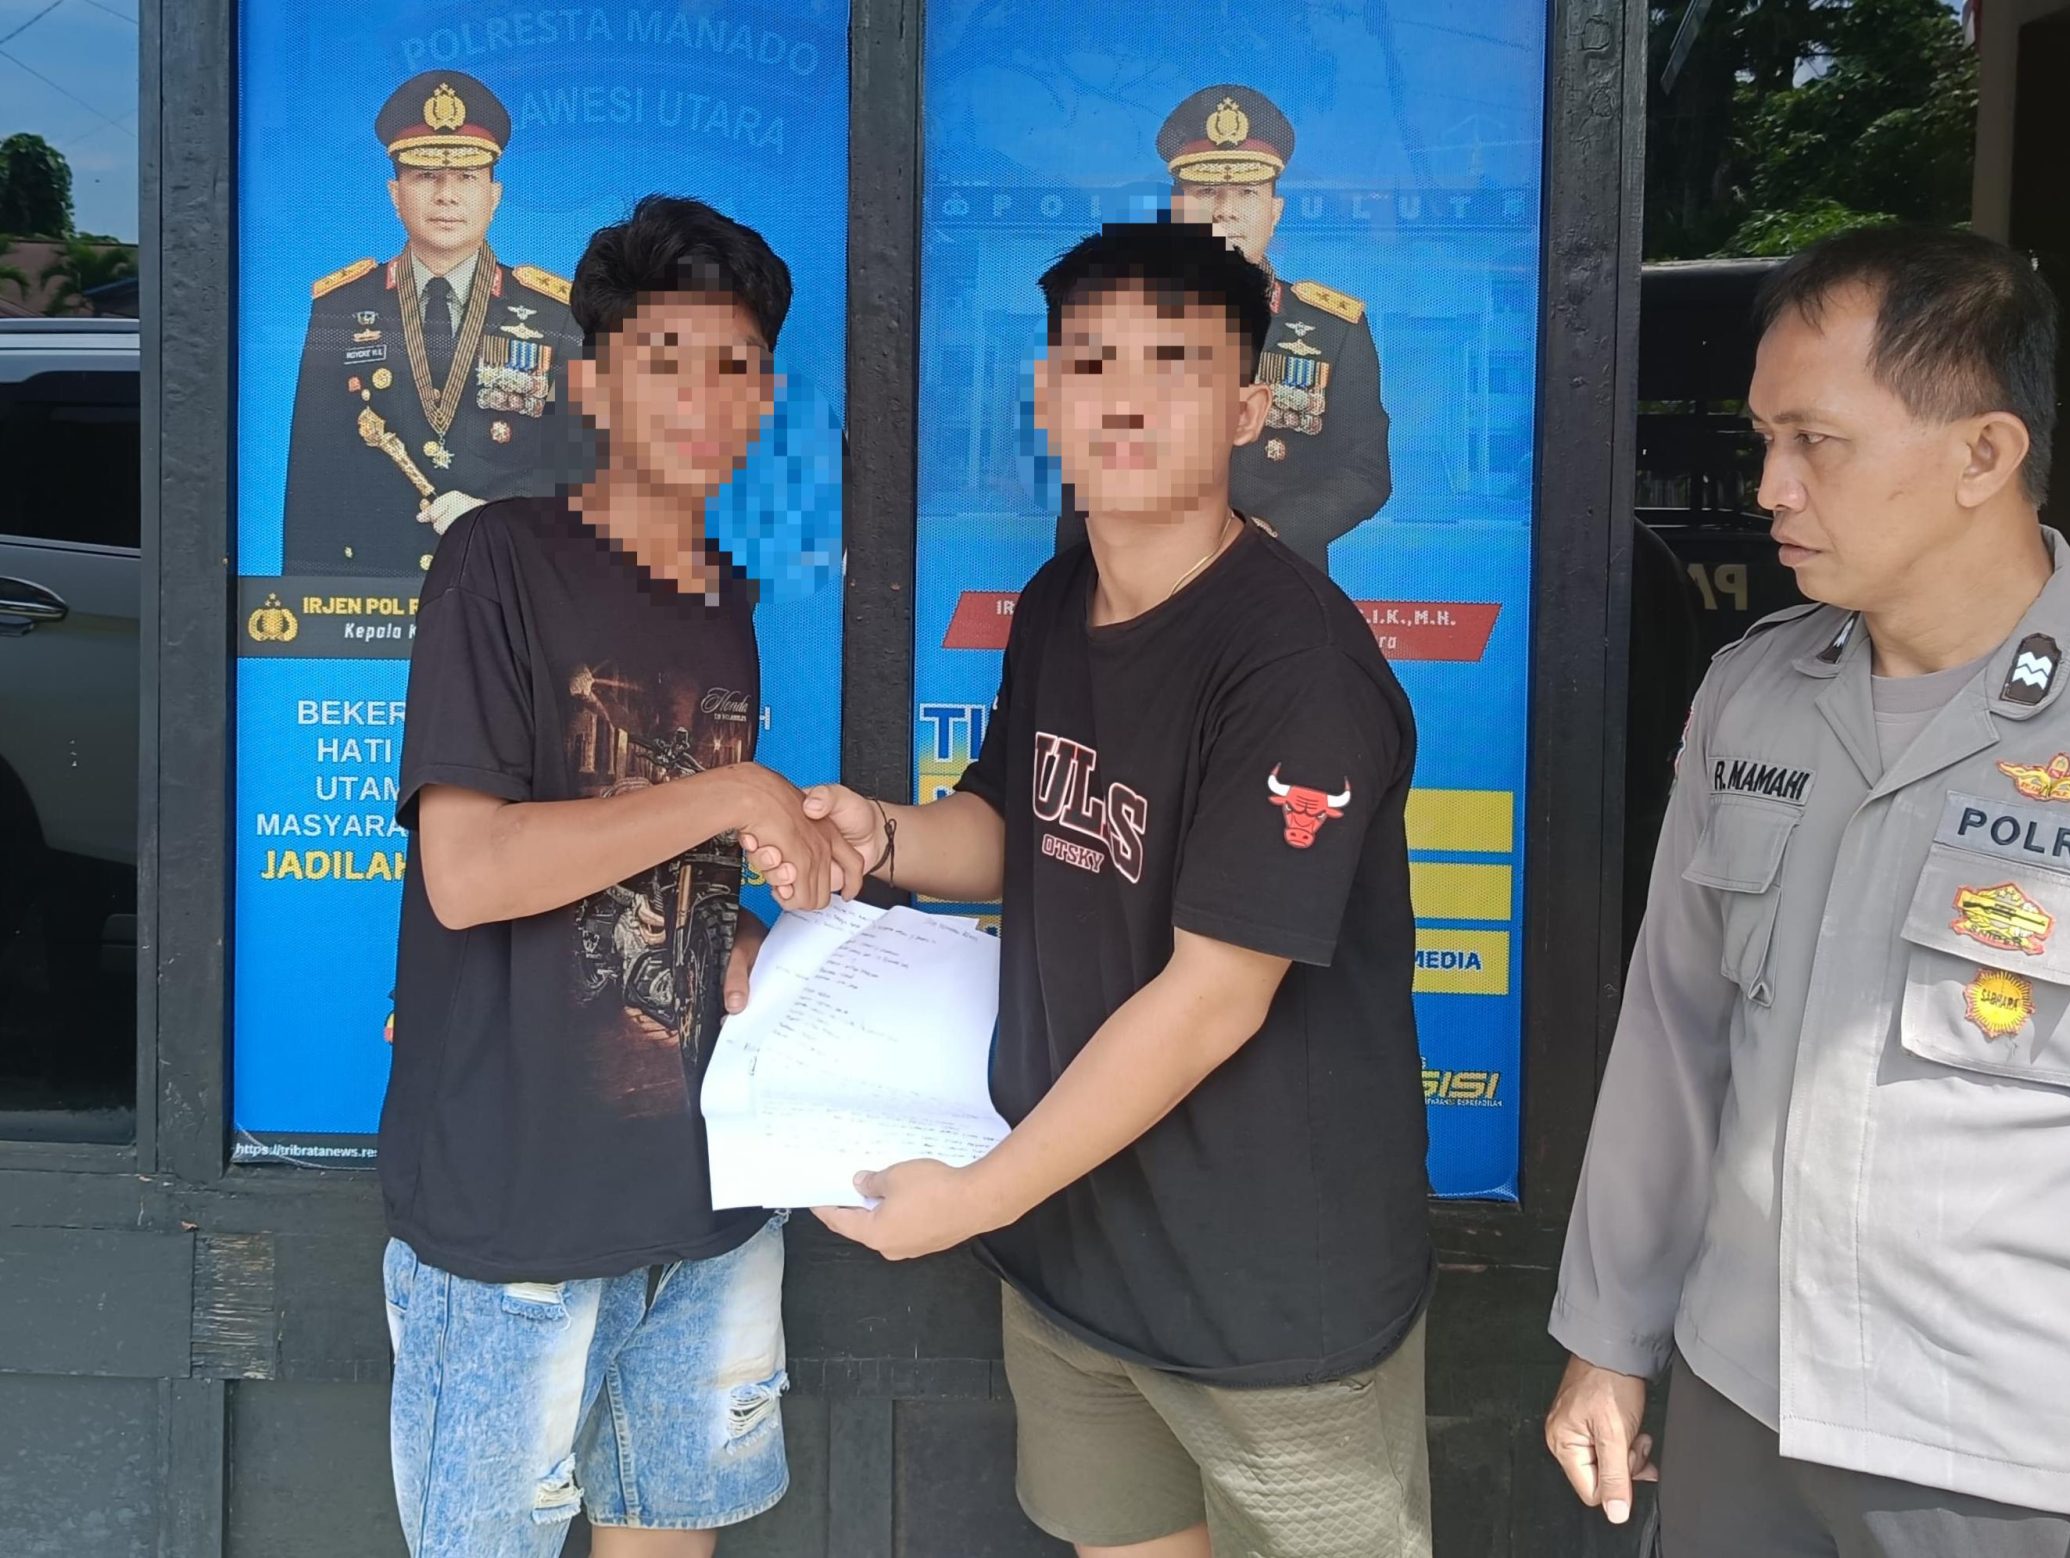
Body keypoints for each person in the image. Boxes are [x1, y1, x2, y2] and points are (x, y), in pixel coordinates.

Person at [1543, 226, 2070, 1558]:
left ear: (1984, 455)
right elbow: (1675, 1035)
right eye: (1764, 438)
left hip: (2005, 1465)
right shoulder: (1751, 695)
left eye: (1816, 441)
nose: (1769, 486)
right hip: (1734, 1413)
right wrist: (1610, 1334)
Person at [750, 220, 1435, 1558]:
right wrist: (878, 836)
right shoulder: (1062, 599)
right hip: (1078, 1255)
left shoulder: (1296, 664)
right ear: (1048, 396)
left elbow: (1213, 998)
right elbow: (1016, 824)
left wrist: (979, 1195)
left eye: (1176, 363)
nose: (1125, 397)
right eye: (1091, 361)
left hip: (1267, 1293)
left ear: (1248, 409)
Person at [380, 195, 844, 1558]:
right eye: (664, 359)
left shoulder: (723, 599)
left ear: (768, 393)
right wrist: (737, 797)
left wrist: (743, 933)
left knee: (674, 1534)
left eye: (736, 364)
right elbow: (469, 871)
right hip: (516, 1208)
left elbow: (655, 861)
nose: (703, 397)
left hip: (704, 1198)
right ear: (590, 382)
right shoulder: (499, 562)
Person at [1055, 86, 1392, 571]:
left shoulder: (1333, 330)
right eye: (1206, 192)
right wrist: (1074, 593)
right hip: (1146, 577)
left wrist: (1272, 531)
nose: (1225, 210)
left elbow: (1364, 471)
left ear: (1274, 212)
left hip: (1276, 576)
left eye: (1247, 193)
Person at [282, 70, 583, 576]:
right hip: (373, 585)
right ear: (395, 193)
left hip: (502, 578)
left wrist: (500, 517)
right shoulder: (341, 305)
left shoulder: (556, 314)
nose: (447, 196)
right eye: (426, 176)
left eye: (467, 178)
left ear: (495, 196)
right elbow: (314, 476)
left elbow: (579, 476)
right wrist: (308, 599)